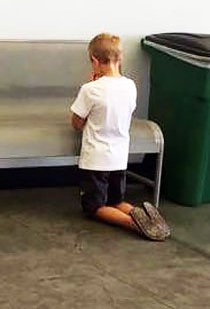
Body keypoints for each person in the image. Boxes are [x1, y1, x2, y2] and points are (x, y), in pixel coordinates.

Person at [70, 33, 170, 241]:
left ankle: (133, 223)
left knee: (94, 206)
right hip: (119, 157)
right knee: (116, 200)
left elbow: (76, 122)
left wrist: (92, 86)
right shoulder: (130, 86)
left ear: (94, 61)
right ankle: (141, 213)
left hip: (96, 160)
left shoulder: (90, 89)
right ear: (120, 59)